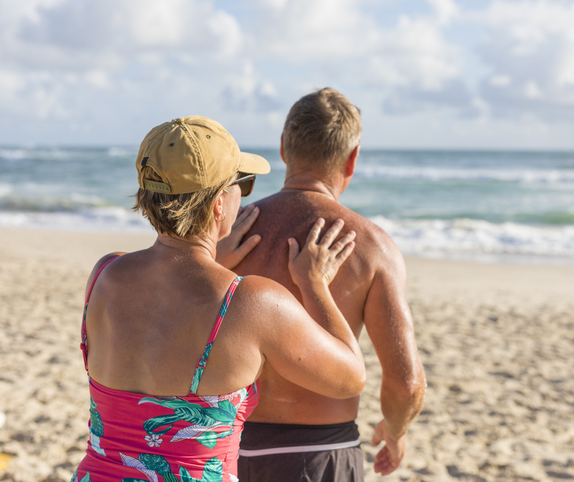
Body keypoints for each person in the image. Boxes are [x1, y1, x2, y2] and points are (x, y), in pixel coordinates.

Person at [72, 116, 365, 482]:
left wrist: (211, 262)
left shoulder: (104, 275)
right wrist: (314, 284)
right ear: (218, 205)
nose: (244, 194)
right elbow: (350, 379)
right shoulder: (250, 301)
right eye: (242, 183)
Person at [228, 88, 426, 481]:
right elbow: (406, 383)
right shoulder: (372, 247)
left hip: (223, 447)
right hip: (318, 454)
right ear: (352, 159)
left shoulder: (228, 231)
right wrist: (395, 429)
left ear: (283, 148)